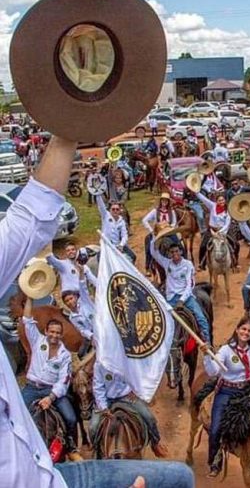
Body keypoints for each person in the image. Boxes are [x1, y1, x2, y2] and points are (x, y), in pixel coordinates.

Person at [0, 136, 194, 487]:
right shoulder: (61, 299)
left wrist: (67, 128)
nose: (54, 332)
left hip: (113, 289)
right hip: (43, 427)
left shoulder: (82, 290)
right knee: (79, 414)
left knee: (172, 463)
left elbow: (30, 221)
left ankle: (153, 437)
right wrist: (92, 405)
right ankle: (76, 443)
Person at [200, 316, 250, 477]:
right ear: (237, 330)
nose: (246, 333)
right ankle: (215, 460)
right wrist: (206, 356)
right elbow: (213, 372)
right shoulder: (225, 350)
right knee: (216, 428)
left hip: (248, 389)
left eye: (249, 331)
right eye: (243, 329)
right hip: (227, 392)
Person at [20, 296, 82, 460]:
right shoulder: (37, 340)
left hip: (52, 390)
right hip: (32, 388)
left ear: (61, 335)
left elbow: (64, 381)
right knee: (17, 414)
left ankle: (70, 446)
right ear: (46, 332)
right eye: (52, 332)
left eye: (58, 333)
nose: (54, 335)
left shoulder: (65, 355)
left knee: (70, 417)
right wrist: (30, 298)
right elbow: (27, 319)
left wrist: (50, 397)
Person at [89, 362, 168, 458]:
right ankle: (98, 451)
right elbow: (98, 387)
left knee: (149, 417)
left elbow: (139, 375)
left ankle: (156, 443)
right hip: (106, 399)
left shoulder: (127, 358)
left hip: (127, 397)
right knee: (93, 427)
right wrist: (103, 407)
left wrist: (136, 390)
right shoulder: (99, 364)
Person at [150, 242, 211, 343]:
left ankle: (207, 342)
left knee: (201, 318)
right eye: (172, 252)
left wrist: (182, 300)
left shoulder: (188, 264)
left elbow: (190, 285)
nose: (174, 254)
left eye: (177, 251)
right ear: (169, 254)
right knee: (159, 320)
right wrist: (154, 238)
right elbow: (154, 253)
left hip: (186, 297)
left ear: (181, 252)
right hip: (170, 298)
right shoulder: (167, 263)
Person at [195, 190, 236, 271]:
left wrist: (219, 233)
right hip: (211, 230)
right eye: (219, 200)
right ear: (216, 201)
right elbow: (203, 199)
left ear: (225, 200)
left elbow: (227, 224)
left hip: (223, 230)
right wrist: (196, 192)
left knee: (235, 244)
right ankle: (201, 264)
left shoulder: (228, 210)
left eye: (223, 200)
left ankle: (235, 262)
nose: (221, 202)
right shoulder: (212, 206)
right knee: (203, 245)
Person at [61, 266, 95, 358]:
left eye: (71, 298)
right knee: (81, 354)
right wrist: (91, 337)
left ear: (76, 297)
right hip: (92, 335)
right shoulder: (72, 317)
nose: (70, 302)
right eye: (67, 301)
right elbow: (82, 330)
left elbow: (83, 287)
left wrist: (81, 272)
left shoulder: (85, 301)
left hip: (102, 327)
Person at [142, 193, 178, 276]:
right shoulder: (155, 211)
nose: (164, 202)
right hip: (157, 233)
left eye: (166, 200)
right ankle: (148, 267)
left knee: (179, 244)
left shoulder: (172, 212)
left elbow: (174, 223)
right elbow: (144, 220)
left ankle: (183, 261)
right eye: (163, 200)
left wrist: (169, 227)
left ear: (168, 202)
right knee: (149, 246)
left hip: (168, 232)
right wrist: (151, 230)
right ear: (160, 201)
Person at [96, 195, 136, 263]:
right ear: (110, 210)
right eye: (113, 209)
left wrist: (121, 245)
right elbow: (100, 205)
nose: (115, 211)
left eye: (117, 209)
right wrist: (98, 194)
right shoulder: (105, 216)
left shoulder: (122, 221)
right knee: (100, 259)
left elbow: (124, 235)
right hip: (106, 246)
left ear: (120, 211)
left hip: (117, 246)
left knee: (133, 256)